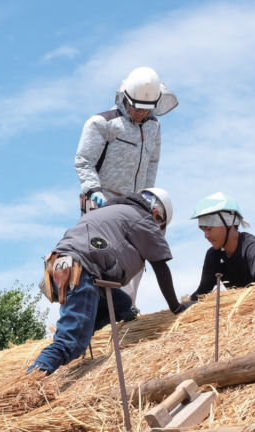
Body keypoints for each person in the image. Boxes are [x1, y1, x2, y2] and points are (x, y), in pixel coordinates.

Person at [30, 188, 189, 375]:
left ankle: (82, 327)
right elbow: (160, 265)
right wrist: (176, 307)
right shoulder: (143, 218)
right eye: (159, 222)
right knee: (70, 344)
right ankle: (26, 384)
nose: (156, 227)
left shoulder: (113, 211)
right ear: (157, 213)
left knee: (122, 304)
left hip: (60, 265)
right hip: (83, 270)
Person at [75, 67, 178, 305]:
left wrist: (146, 196)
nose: (142, 112)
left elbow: (153, 161)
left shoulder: (154, 126)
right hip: (105, 198)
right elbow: (83, 161)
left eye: (147, 108)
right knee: (103, 257)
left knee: (137, 256)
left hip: (135, 201)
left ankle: (126, 308)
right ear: (125, 98)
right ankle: (97, 310)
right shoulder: (102, 123)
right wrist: (94, 190)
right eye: (137, 107)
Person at [182, 192, 255, 303]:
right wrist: (187, 304)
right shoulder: (213, 256)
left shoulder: (254, 248)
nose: (206, 236)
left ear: (227, 223)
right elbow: (203, 292)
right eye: (203, 230)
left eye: (209, 229)